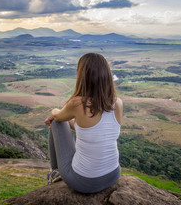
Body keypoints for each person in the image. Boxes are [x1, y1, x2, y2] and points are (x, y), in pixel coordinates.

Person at [44, 53, 123, 194]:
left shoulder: (78, 103)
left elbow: (57, 116)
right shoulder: (117, 103)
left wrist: (54, 111)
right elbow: (91, 131)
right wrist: (69, 121)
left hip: (85, 182)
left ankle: (55, 172)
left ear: (81, 75)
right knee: (63, 122)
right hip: (113, 174)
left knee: (56, 123)